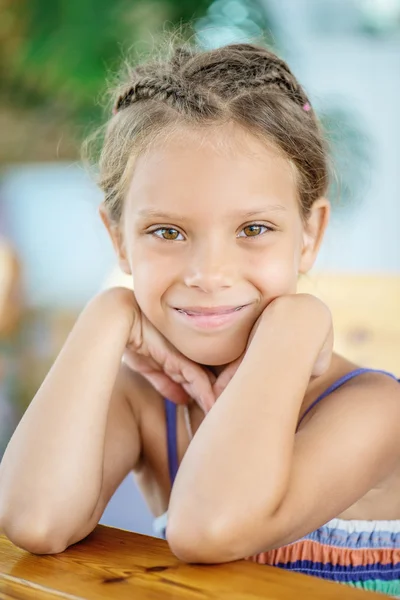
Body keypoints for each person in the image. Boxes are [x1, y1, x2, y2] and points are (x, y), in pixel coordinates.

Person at [0, 41, 399, 595]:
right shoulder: (141, 400)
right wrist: (108, 312)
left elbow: (210, 528)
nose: (209, 273)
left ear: (310, 234)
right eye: (167, 232)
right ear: (118, 239)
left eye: (253, 229)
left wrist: (295, 325)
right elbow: (35, 521)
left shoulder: (375, 410)